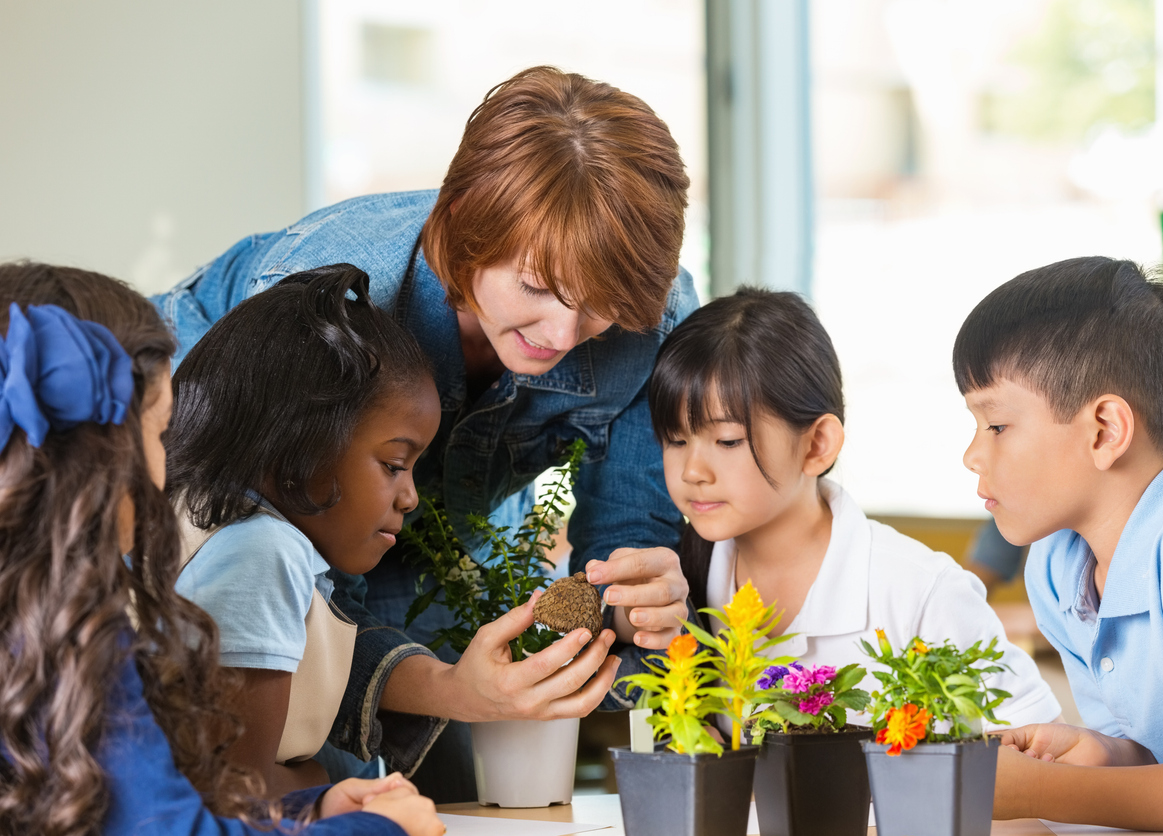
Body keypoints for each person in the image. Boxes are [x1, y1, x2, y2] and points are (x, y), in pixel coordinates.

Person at [152, 66, 695, 798]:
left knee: (452, 778)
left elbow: (614, 563)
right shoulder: (333, 304)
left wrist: (631, 605)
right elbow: (300, 610)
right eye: (536, 288)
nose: (565, 332)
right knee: (300, 776)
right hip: (235, 509)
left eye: (599, 307)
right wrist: (449, 690)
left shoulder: (649, 315)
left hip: (424, 521)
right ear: (468, 225)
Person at [0, 262, 442, 836]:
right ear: (100, 460)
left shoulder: (39, 624)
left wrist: (306, 812)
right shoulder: (74, 639)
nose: (166, 468)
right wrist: (382, 830)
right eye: (160, 435)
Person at [650, 287, 1062, 733]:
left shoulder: (923, 593)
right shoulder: (678, 586)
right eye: (676, 440)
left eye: (727, 441)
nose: (692, 470)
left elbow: (1045, 754)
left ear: (817, 445)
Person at [954, 257, 1163, 830]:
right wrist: (1102, 756)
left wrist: (1046, 792)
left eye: (995, 425)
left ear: (1105, 431)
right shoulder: (1057, 565)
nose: (972, 455)